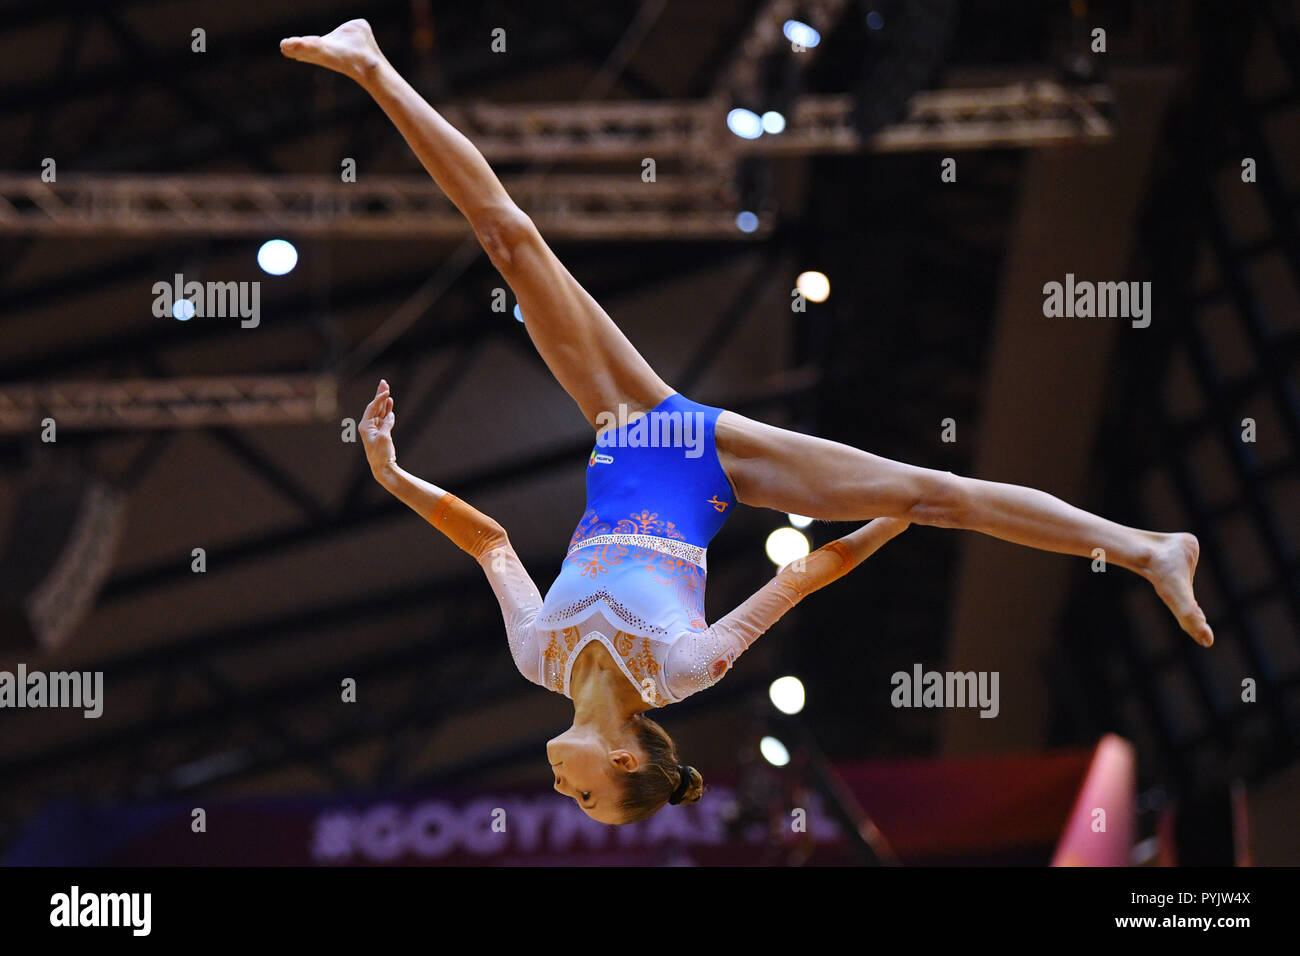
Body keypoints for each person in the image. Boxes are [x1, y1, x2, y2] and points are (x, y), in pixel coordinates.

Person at [282, 20, 1213, 824]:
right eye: (588, 798)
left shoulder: (538, 659)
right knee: (944, 497)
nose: (564, 791)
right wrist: (902, 503)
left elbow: (488, 544)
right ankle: (1145, 547)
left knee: (510, 244)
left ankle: (370, 65)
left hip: (623, 425)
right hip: (718, 457)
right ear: (622, 762)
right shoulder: (685, 670)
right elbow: (809, 573)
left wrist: (394, 478)